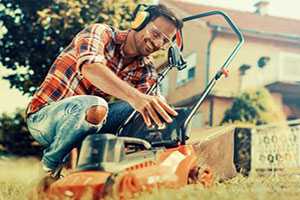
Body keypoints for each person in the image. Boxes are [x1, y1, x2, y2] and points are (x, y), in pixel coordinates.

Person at [26, 4, 183, 177]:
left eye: (165, 42)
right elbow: (91, 68)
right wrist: (136, 97)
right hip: (45, 117)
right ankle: (49, 169)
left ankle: (115, 171)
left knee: (144, 110)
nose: (157, 43)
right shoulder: (100, 33)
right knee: (96, 105)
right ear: (139, 21)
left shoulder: (146, 68)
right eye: (155, 34)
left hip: (91, 121)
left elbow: (153, 107)